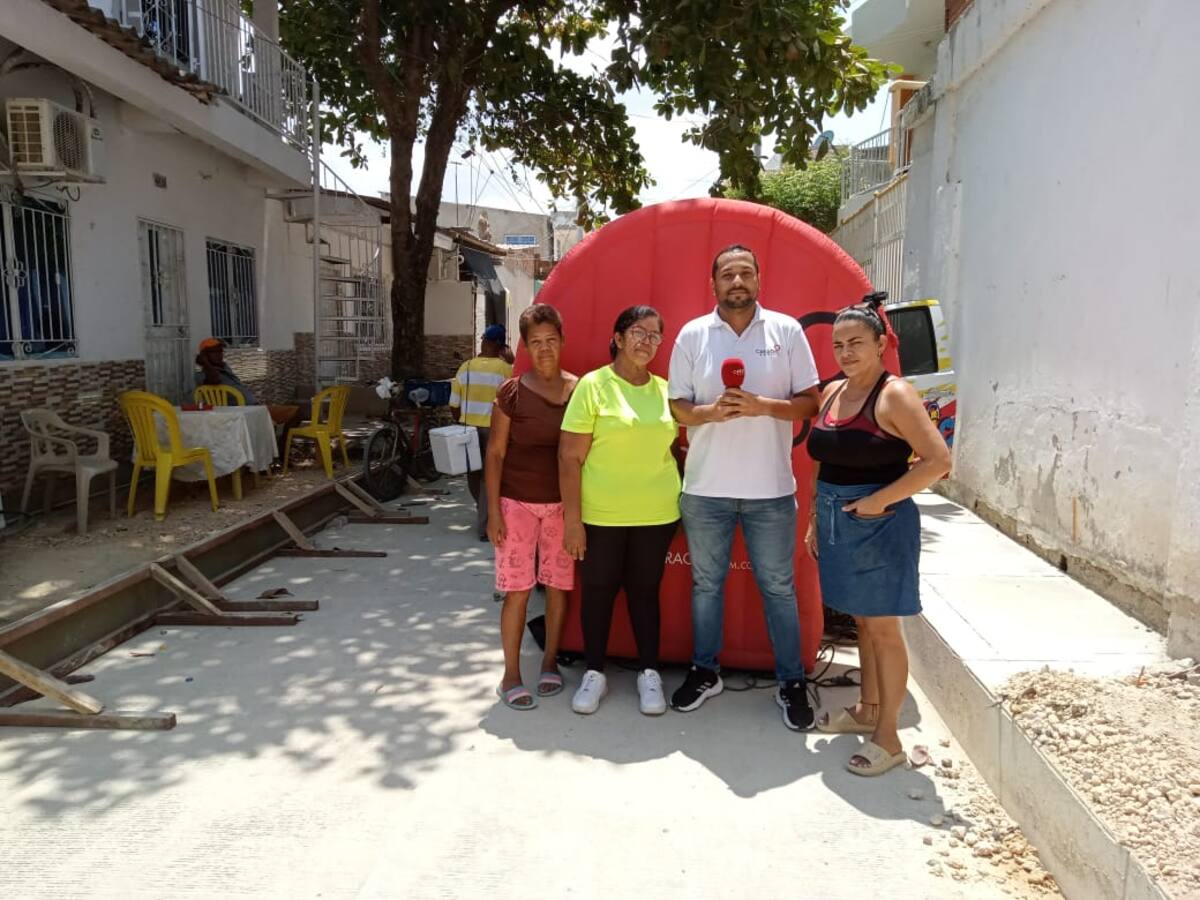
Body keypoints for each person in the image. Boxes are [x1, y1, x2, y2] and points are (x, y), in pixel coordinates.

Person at [666, 244, 822, 731]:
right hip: (706, 490)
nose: (737, 282)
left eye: (746, 273)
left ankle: (791, 681)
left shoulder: (787, 331)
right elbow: (678, 408)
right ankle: (704, 670)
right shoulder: (693, 335)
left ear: (759, 280)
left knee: (778, 587)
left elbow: (810, 403)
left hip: (771, 492)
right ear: (712, 284)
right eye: (728, 274)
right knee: (706, 585)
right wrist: (710, 414)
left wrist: (761, 406)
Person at [805, 298, 951, 775]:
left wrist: (878, 501)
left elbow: (938, 461)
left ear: (882, 345)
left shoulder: (895, 396)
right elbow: (825, 461)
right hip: (834, 518)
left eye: (856, 344)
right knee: (863, 623)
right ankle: (868, 708)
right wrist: (813, 518)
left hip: (879, 524)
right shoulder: (832, 392)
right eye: (838, 344)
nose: (846, 352)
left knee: (884, 629)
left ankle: (888, 737)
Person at [559, 305, 681, 716]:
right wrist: (572, 521)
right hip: (601, 515)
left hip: (657, 513)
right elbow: (569, 458)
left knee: (646, 594)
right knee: (598, 592)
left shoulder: (667, 389)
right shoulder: (593, 386)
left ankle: (650, 673)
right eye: (638, 332)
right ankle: (595, 673)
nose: (646, 342)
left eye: (654, 335)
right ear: (617, 337)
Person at [486, 305, 578, 709]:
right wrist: (493, 512)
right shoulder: (512, 391)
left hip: (562, 506)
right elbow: (495, 454)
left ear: (562, 340)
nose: (544, 350)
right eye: (535, 343)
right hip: (516, 503)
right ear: (525, 347)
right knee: (518, 591)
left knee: (559, 589)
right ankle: (510, 675)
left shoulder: (580, 391)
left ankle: (551, 662)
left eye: (551, 340)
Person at [449, 324, 514, 540]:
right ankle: (485, 521)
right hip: (493, 429)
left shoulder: (465, 367)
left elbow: (454, 403)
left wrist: (459, 420)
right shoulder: (506, 370)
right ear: (501, 345)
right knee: (491, 475)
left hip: (467, 427)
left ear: (485, 341)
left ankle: (483, 512)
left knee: (473, 473)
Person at [194, 338, 301, 453]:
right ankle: (278, 454)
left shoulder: (224, 367)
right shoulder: (202, 374)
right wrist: (205, 363)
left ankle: (281, 449)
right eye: (214, 352)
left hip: (255, 409)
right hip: (241, 414)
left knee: (296, 412)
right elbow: (214, 379)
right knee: (284, 417)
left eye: (221, 351)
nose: (220, 355)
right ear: (204, 355)